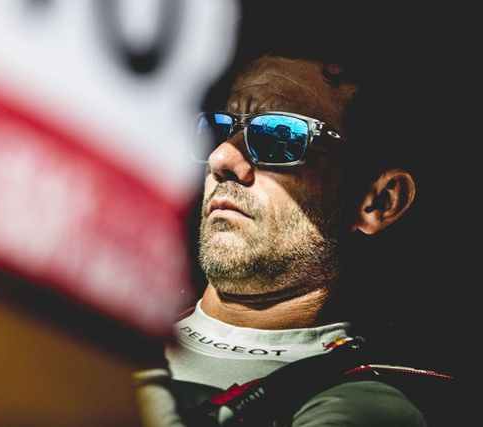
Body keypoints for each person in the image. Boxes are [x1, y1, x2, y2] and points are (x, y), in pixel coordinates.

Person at [132, 12, 457, 426]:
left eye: (278, 136)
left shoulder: (365, 405)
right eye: (219, 129)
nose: (221, 158)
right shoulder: (118, 317)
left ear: (379, 202)